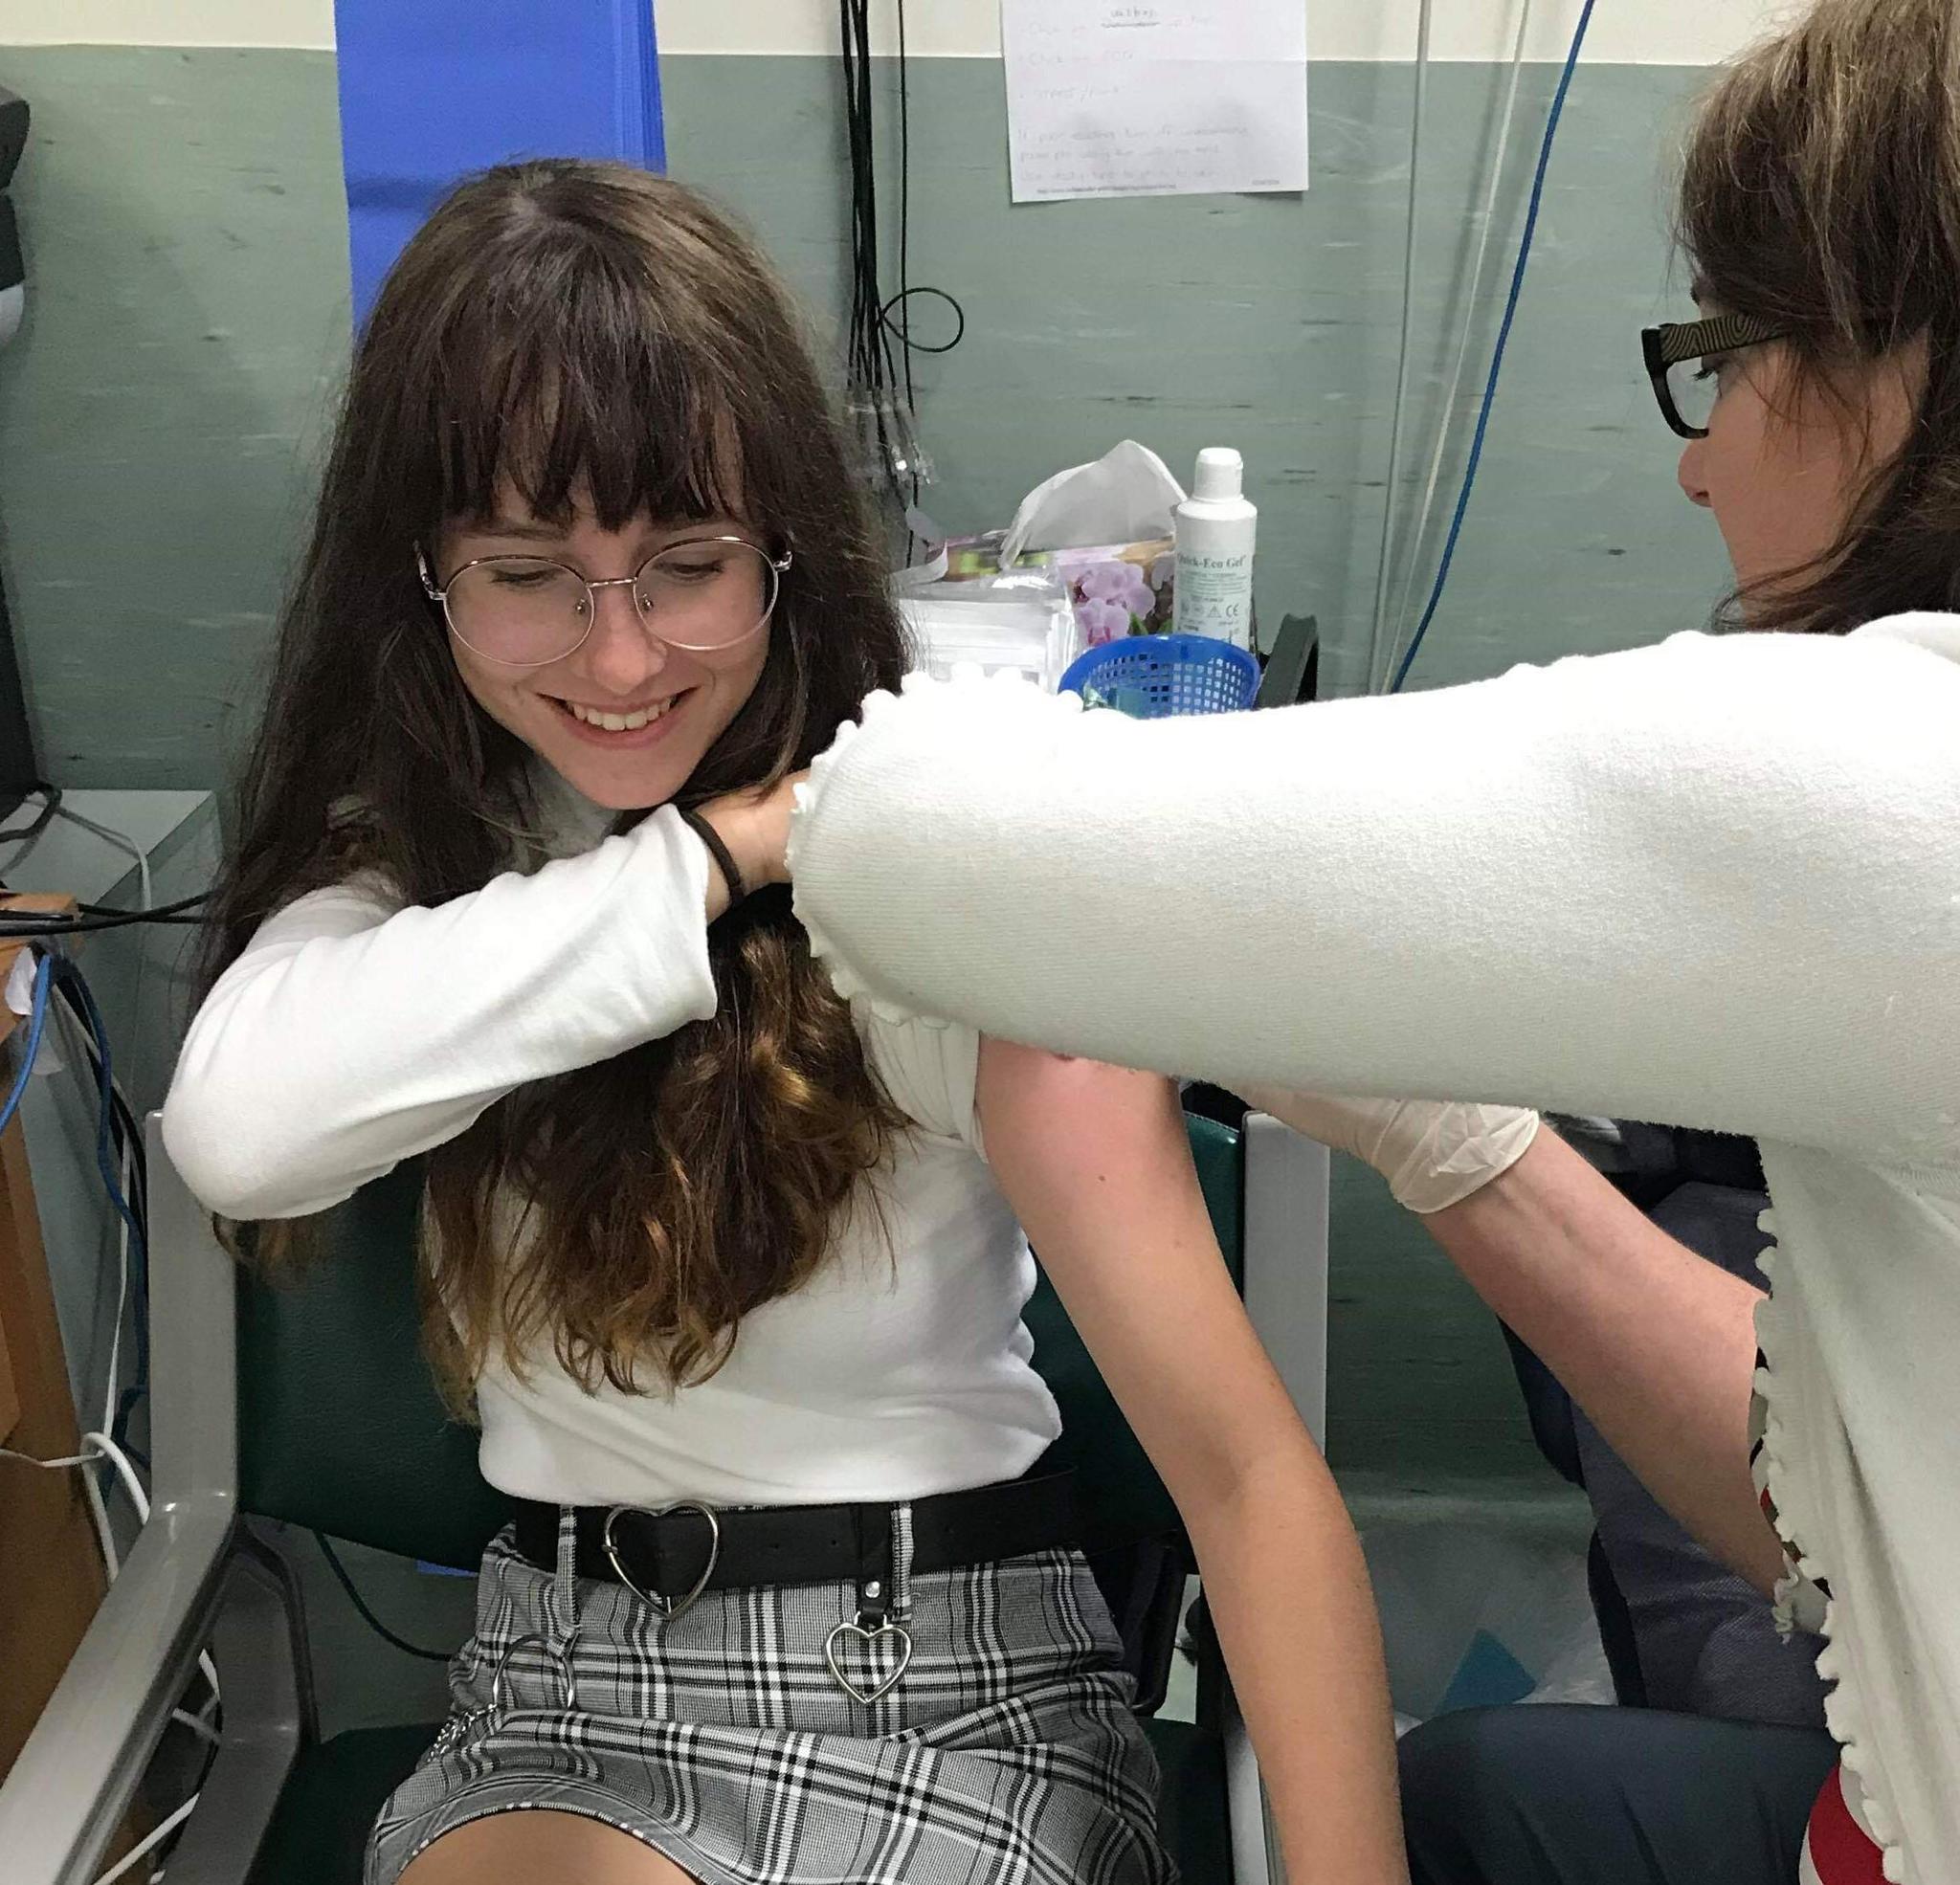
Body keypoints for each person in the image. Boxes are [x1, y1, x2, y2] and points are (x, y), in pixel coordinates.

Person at [781, 3, 1960, 1881]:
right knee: (1487, 1792)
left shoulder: (1903, 773)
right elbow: (1847, 1511)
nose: (1695, 461)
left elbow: (905, 857)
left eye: (1725, 359)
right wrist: (1461, 1136)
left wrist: (761, 832)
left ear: (1891, 368)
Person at [161, 162, 1408, 1885]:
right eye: (531, 571)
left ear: (785, 552)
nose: (617, 658)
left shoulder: (934, 888)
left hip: (947, 1682)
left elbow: (1253, 1481)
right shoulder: (424, 881)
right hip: (562, 1692)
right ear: (425, 578)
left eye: (684, 565)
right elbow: (240, 1124)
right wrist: (723, 850)